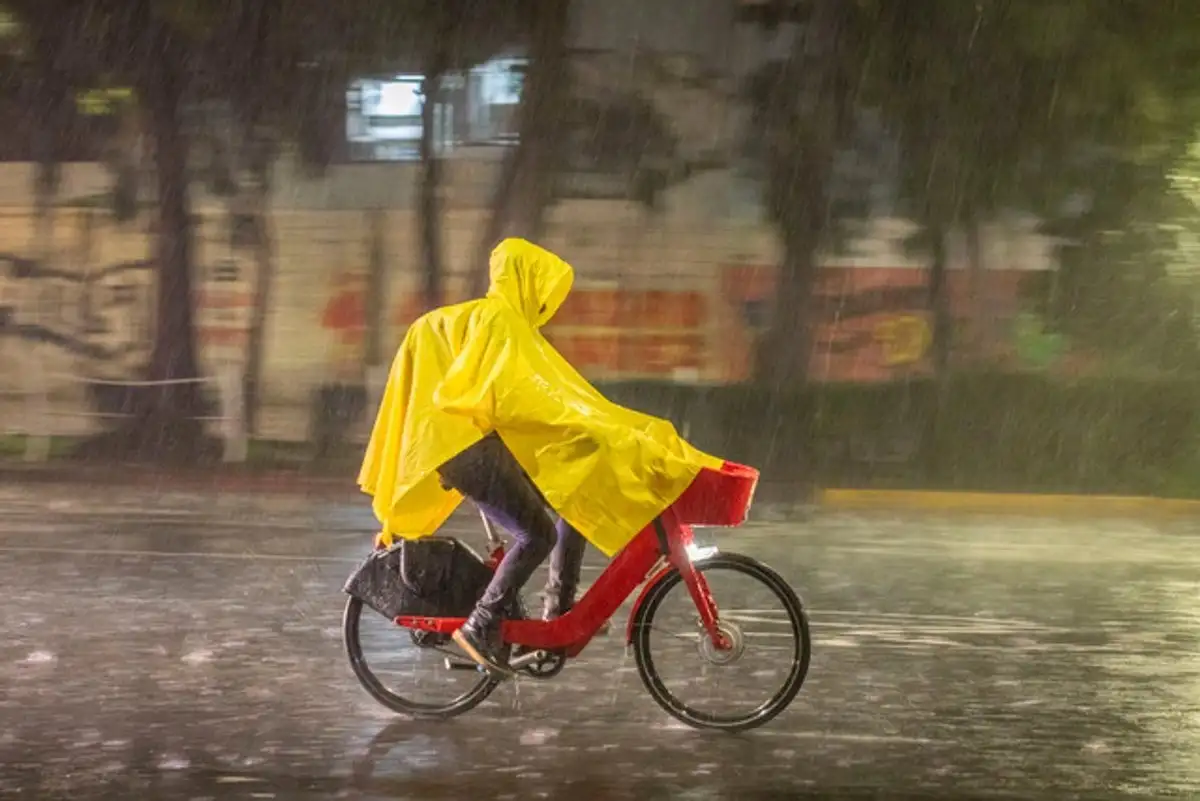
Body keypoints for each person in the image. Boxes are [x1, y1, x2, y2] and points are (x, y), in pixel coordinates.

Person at [359, 238, 722, 673]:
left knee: (576, 495)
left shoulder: (501, 322)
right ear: (526, 280)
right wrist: (592, 426)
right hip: (464, 447)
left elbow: (543, 395)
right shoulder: (499, 322)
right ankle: (481, 623)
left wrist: (587, 424)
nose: (548, 300)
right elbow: (529, 400)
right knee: (538, 535)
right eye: (542, 286)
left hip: (467, 441)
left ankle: (558, 615)